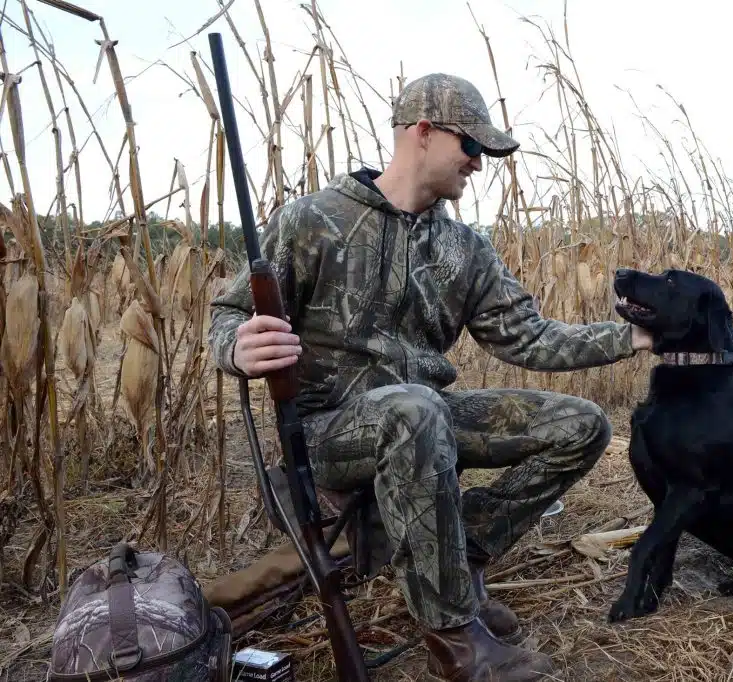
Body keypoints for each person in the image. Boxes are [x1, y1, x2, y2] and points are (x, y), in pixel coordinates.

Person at [208, 72, 653, 681]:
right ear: (422, 132)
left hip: (425, 421)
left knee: (581, 424)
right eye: (471, 147)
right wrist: (238, 345)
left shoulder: (465, 248)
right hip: (327, 435)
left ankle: (456, 559)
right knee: (415, 407)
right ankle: (456, 640)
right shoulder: (312, 220)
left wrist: (635, 336)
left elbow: (529, 336)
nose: (478, 164)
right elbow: (231, 311)